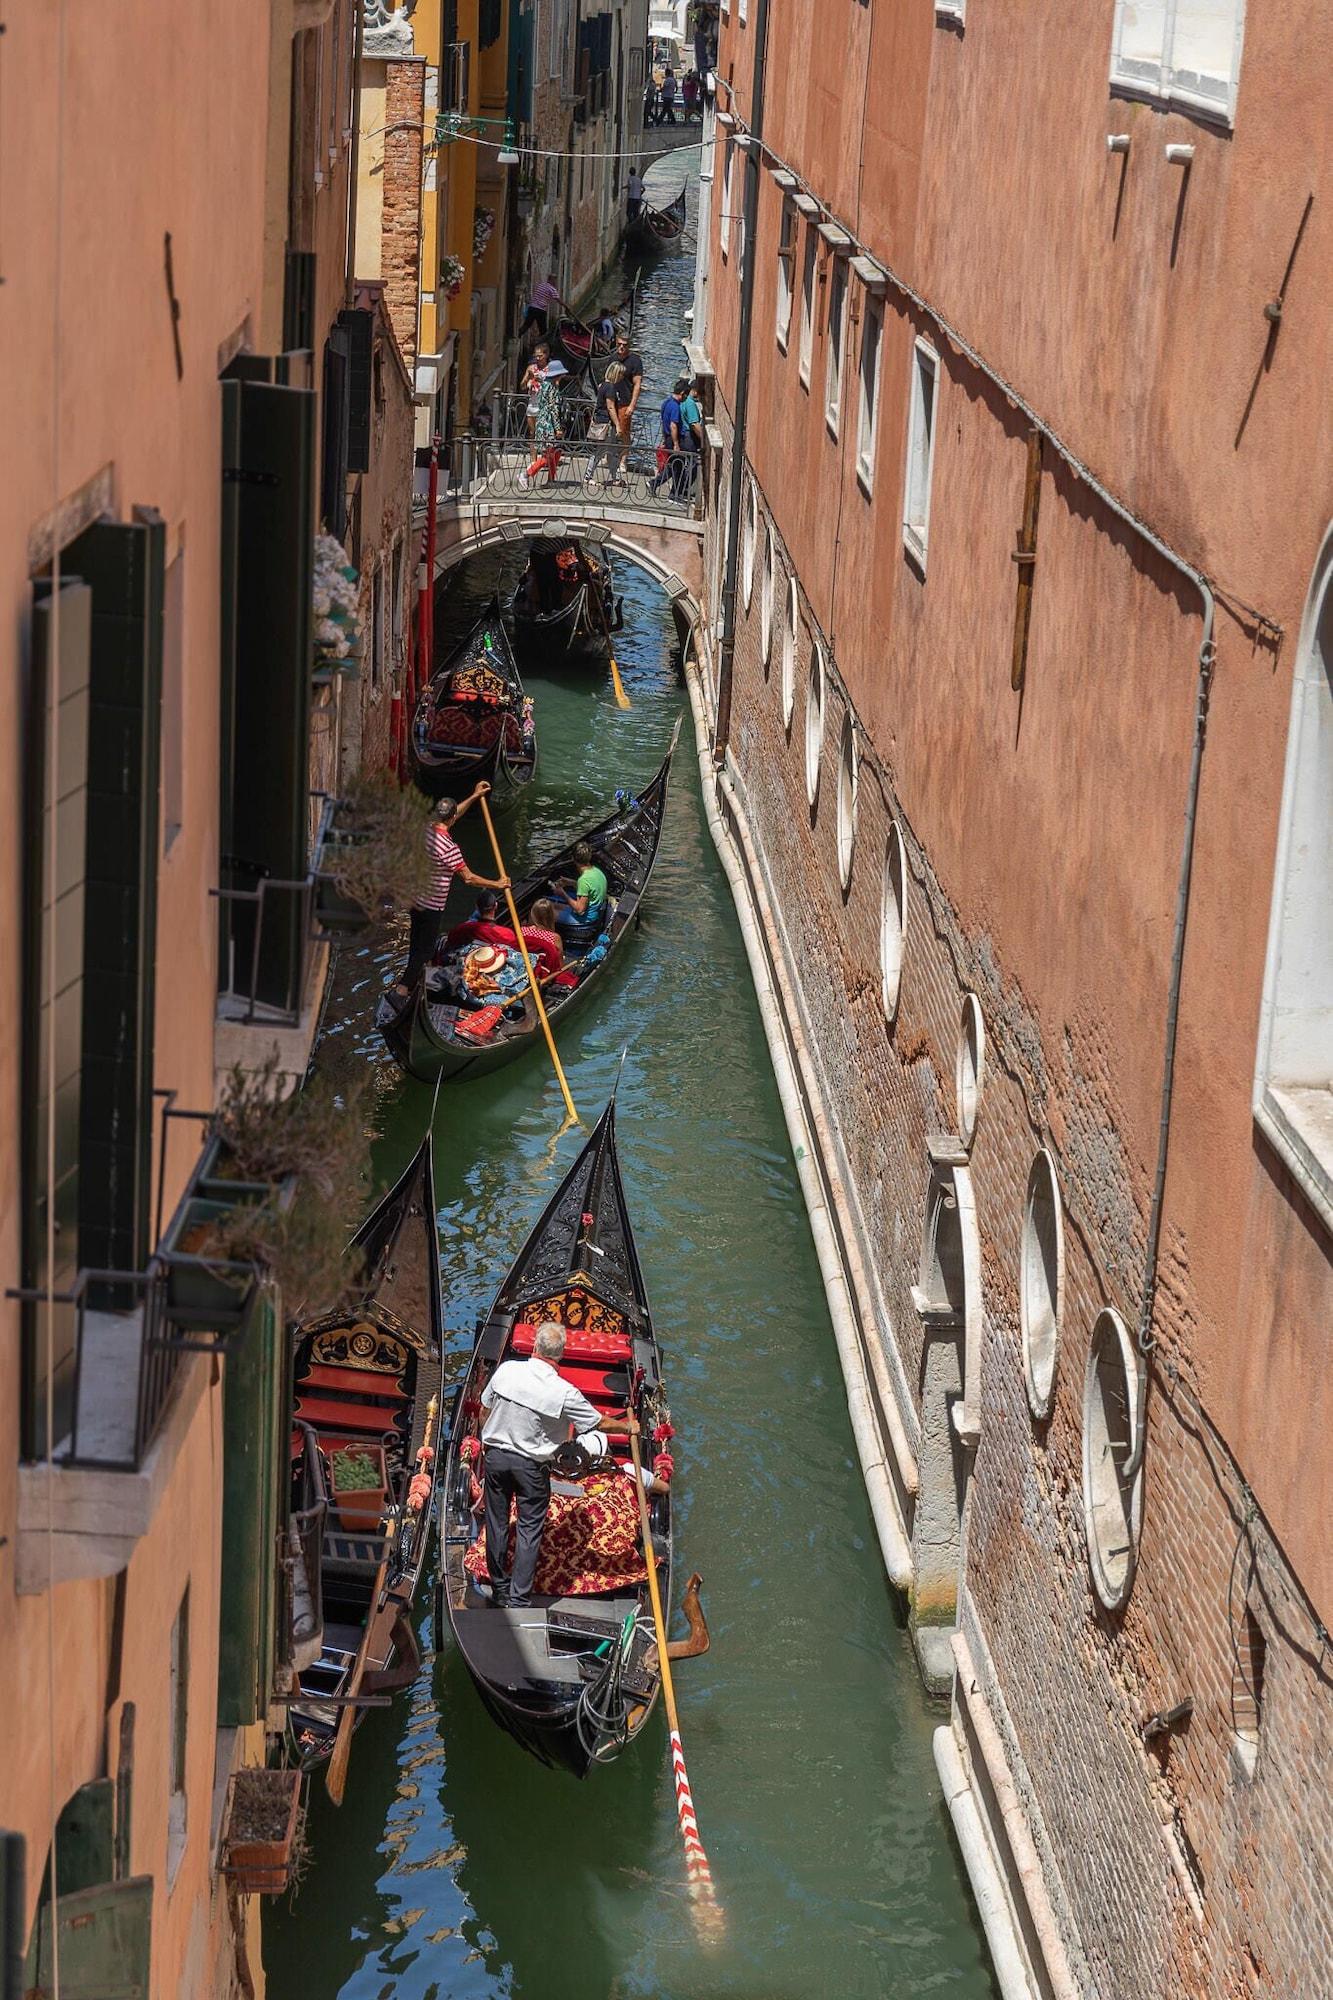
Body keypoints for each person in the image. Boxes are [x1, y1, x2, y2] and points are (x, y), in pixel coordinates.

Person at [479, 1323, 628, 1607]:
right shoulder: (564, 1392)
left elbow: (484, 1410)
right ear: (560, 1355)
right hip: (531, 1469)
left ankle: (499, 1589)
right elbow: (599, 1423)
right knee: (529, 1531)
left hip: (495, 1459)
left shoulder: (506, 1370)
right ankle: (518, 1600)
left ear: (535, 1346)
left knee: (496, 1524)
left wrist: (489, 1443)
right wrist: (629, 1427)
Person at [399, 788, 508, 993]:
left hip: (416, 899)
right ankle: (402, 990)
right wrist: (498, 884)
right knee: (425, 951)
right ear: (452, 819)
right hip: (432, 906)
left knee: (417, 944)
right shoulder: (449, 848)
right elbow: (469, 878)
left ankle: (421, 983)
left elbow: (454, 814)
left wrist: (474, 796)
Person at [519, 358, 568, 489]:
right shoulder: (552, 388)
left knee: (556, 453)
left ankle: (551, 480)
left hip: (543, 422)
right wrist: (558, 428)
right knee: (548, 455)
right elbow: (553, 409)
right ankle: (526, 474)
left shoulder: (545, 385)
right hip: (548, 425)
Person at [608, 331, 644, 486]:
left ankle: (623, 460)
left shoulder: (635, 361)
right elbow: (608, 378)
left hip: (625, 402)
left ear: (629, 345)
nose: (621, 347)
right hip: (611, 400)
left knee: (624, 432)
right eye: (619, 344)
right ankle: (609, 456)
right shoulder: (612, 358)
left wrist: (632, 405)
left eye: (624, 345)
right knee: (610, 430)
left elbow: (637, 384)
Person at [551, 840, 609, 933]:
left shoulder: (583, 880)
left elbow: (579, 910)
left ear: (573, 858)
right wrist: (571, 882)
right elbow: (591, 888)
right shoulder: (597, 872)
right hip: (594, 914)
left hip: (584, 921)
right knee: (550, 905)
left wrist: (562, 894)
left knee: (540, 913)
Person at [582, 363, 621, 489]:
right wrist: (618, 425)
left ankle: (616, 478)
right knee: (600, 451)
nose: (622, 377)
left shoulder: (602, 385)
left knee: (612, 452)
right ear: (616, 374)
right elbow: (610, 407)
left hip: (601, 421)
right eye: (621, 374)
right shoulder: (610, 388)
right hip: (606, 424)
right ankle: (588, 476)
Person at [650, 377, 686, 496]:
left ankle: (655, 484)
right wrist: (676, 444)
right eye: (685, 396)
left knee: (672, 466)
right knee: (678, 467)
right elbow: (673, 425)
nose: (685, 399)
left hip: (668, 438)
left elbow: (663, 421)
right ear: (682, 393)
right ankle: (674, 494)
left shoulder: (666, 403)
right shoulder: (675, 406)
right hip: (673, 439)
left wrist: (665, 439)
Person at [676, 376, 703, 499]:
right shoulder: (691, 404)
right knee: (693, 464)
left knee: (684, 463)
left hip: (683, 435)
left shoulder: (683, 402)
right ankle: (682, 489)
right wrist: (703, 439)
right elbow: (694, 424)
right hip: (689, 437)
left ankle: (680, 489)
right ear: (696, 391)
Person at [518, 271, 562, 341]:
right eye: (554, 280)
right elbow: (558, 300)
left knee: (526, 325)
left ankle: (517, 335)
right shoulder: (552, 289)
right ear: (551, 280)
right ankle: (541, 343)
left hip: (532, 308)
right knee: (543, 331)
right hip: (540, 311)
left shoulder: (541, 285)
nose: (555, 282)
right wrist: (567, 307)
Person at [520, 342, 550, 438]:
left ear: (546, 355)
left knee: (542, 434)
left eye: (540, 356)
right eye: (536, 356)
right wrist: (527, 378)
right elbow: (522, 387)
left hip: (544, 405)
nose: (537, 358)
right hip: (532, 404)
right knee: (532, 433)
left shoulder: (550, 369)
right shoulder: (531, 368)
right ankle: (533, 448)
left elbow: (552, 387)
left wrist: (540, 380)